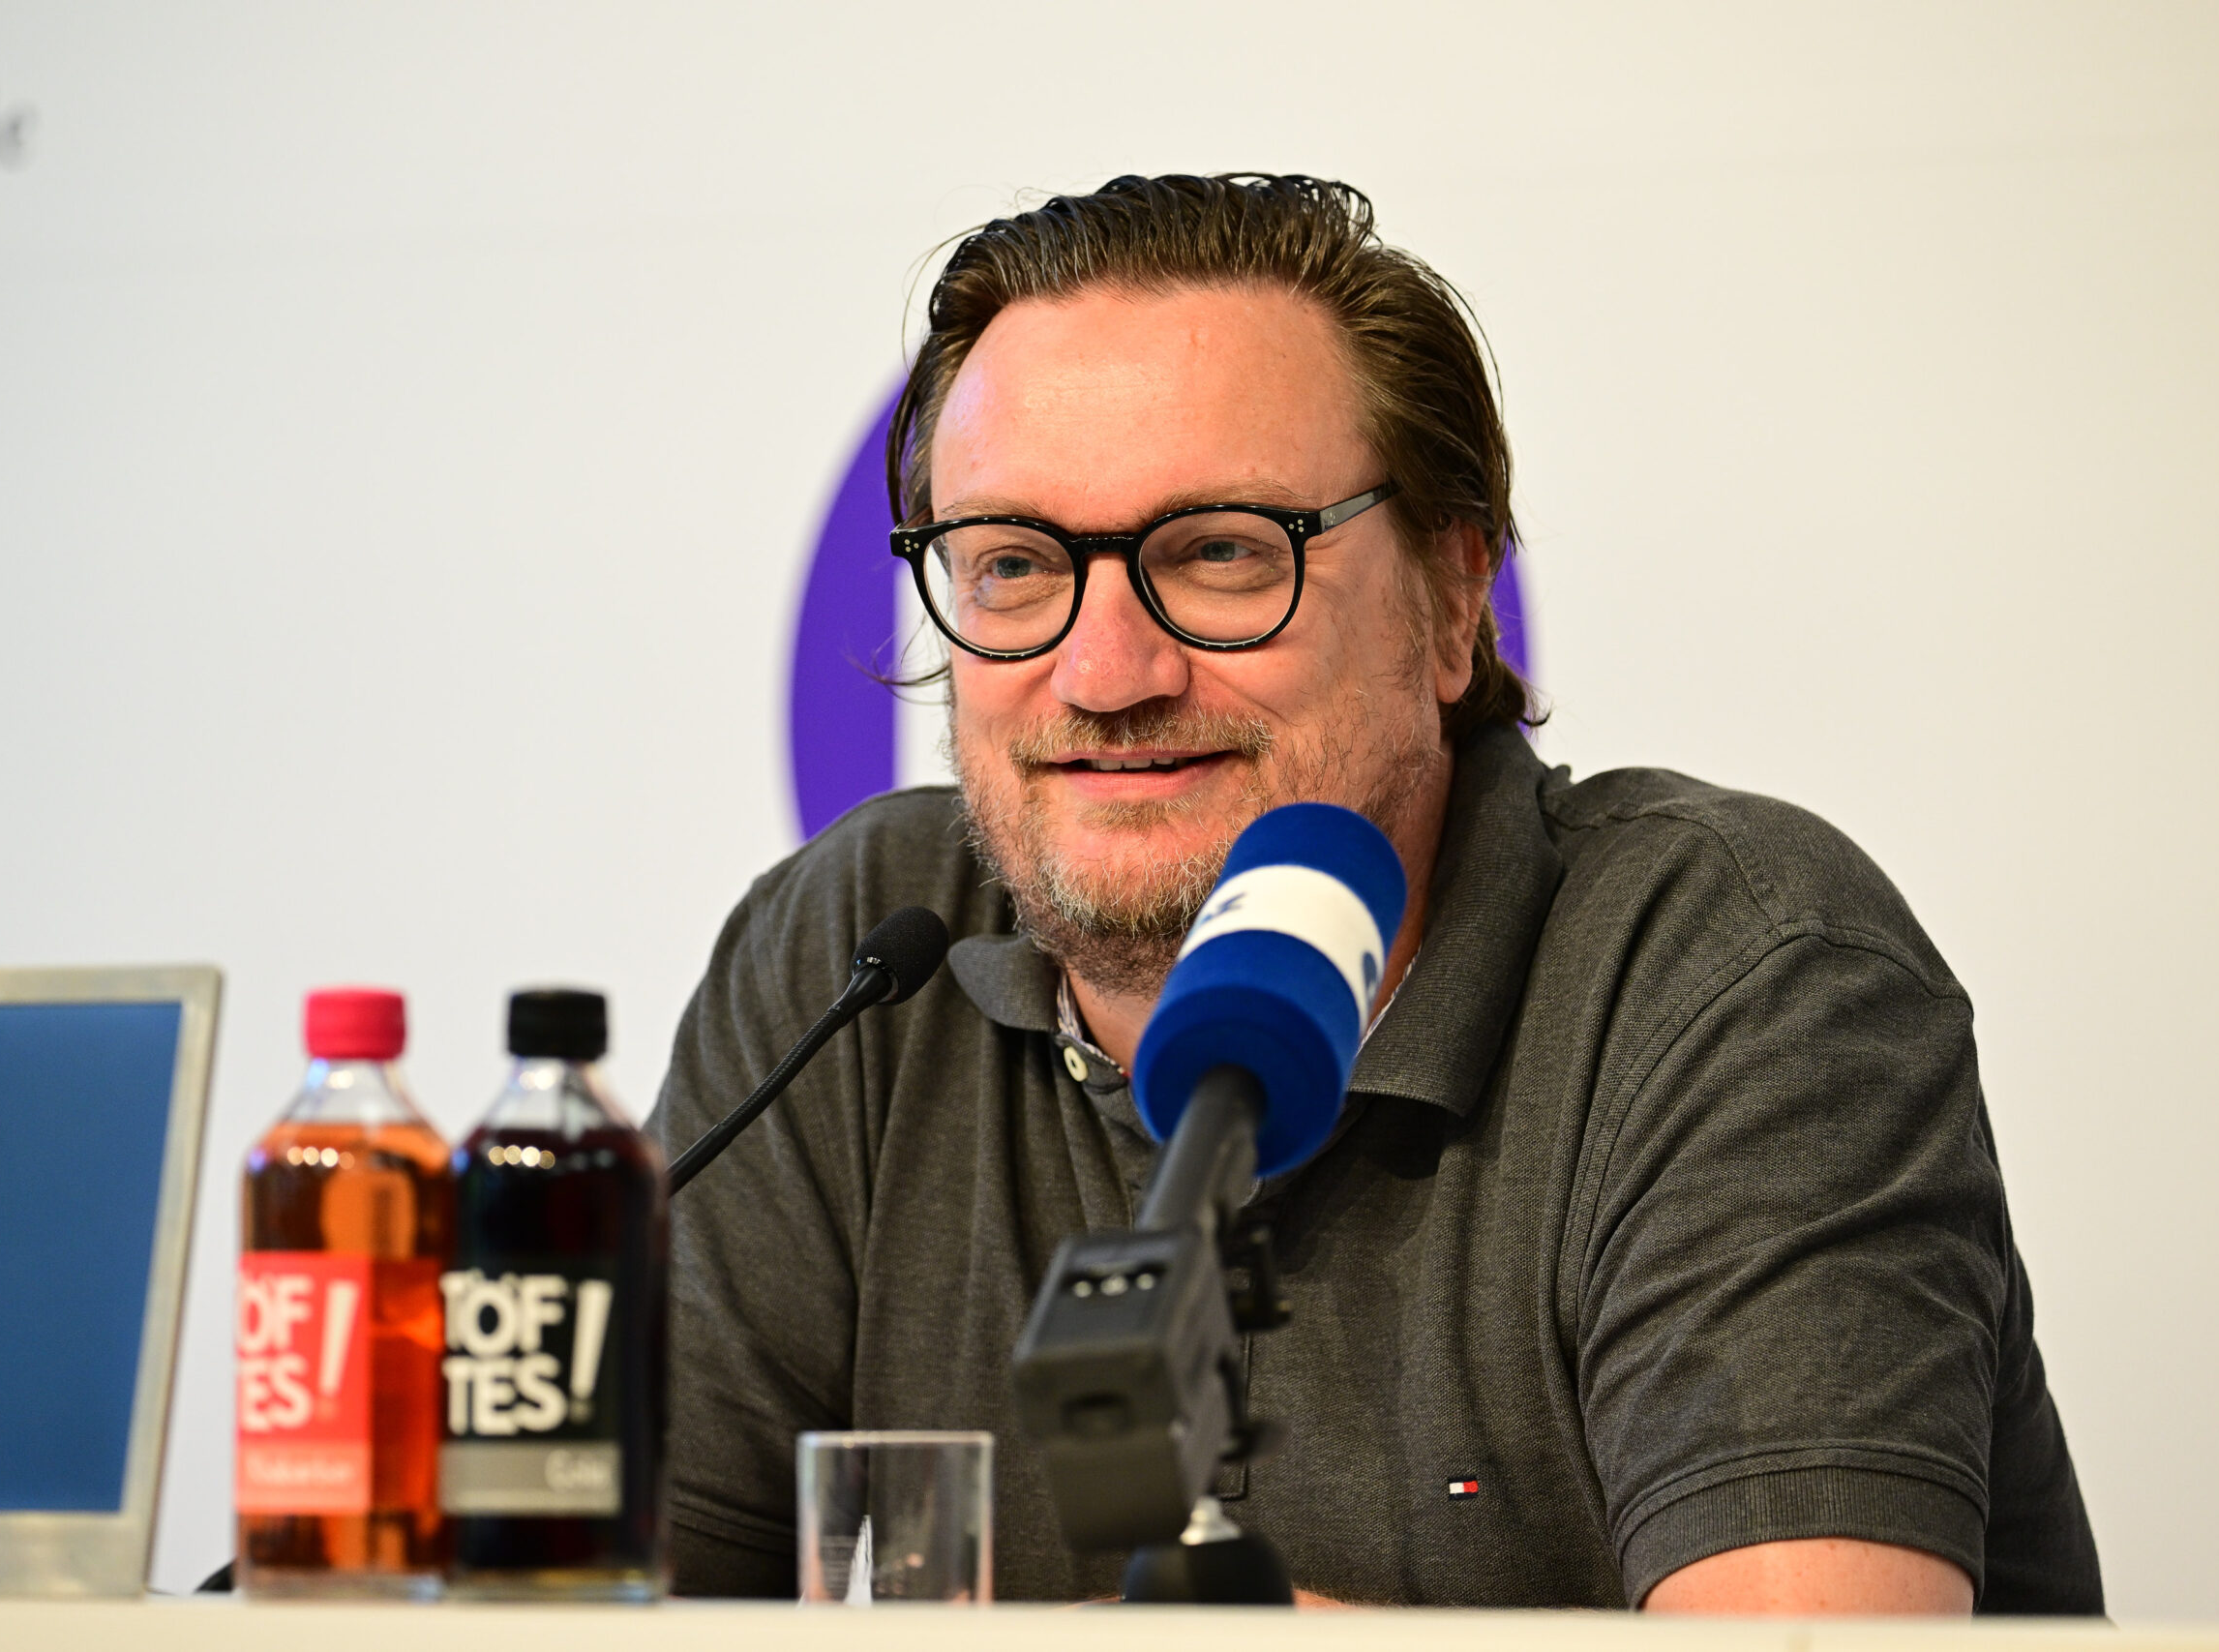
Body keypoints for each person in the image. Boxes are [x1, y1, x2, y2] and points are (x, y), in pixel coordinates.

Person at [649, 174, 2103, 1613]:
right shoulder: (852, 957)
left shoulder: (1740, 968)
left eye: (1221, 554)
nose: (1102, 674)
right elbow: (598, 1616)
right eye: (1015, 565)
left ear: (1455, 595)